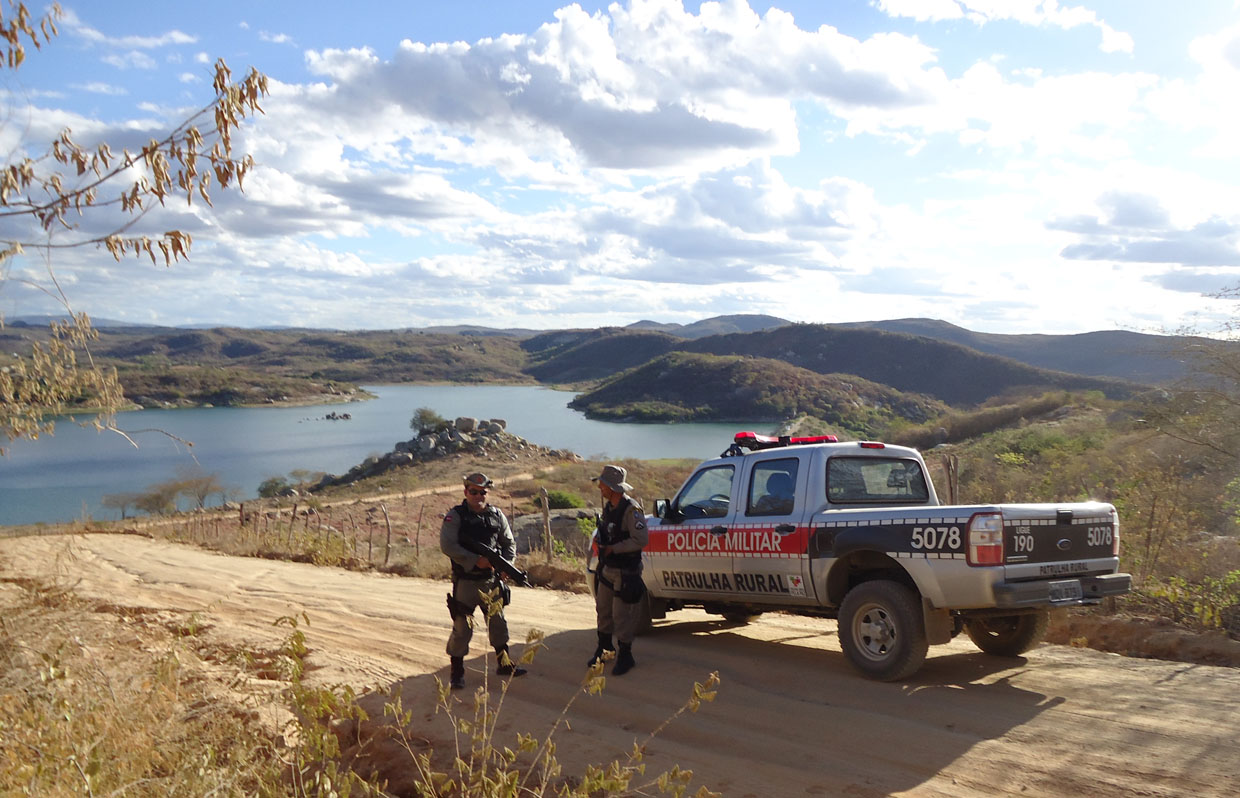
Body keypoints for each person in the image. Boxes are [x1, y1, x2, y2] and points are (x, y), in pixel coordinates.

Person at [440, 472, 527, 690]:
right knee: (462, 628)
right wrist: (474, 560)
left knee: (498, 623)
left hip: (491, 580)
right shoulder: (456, 516)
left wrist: (506, 565)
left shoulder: (496, 515)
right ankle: (457, 672)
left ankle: (504, 664)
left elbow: (509, 543)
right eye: (474, 492)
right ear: (465, 492)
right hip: (467, 581)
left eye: (482, 492)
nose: (478, 496)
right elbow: (448, 545)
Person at [588, 464, 648, 676]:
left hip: (625, 572)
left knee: (622, 615)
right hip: (608, 569)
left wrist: (615, 548)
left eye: (603, 484)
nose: (600, 488)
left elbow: (641, 539)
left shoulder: (631, 509)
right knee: (603, 610)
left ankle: (625, 655)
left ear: (613, 488)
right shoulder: (609, 508)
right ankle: (604, 648)